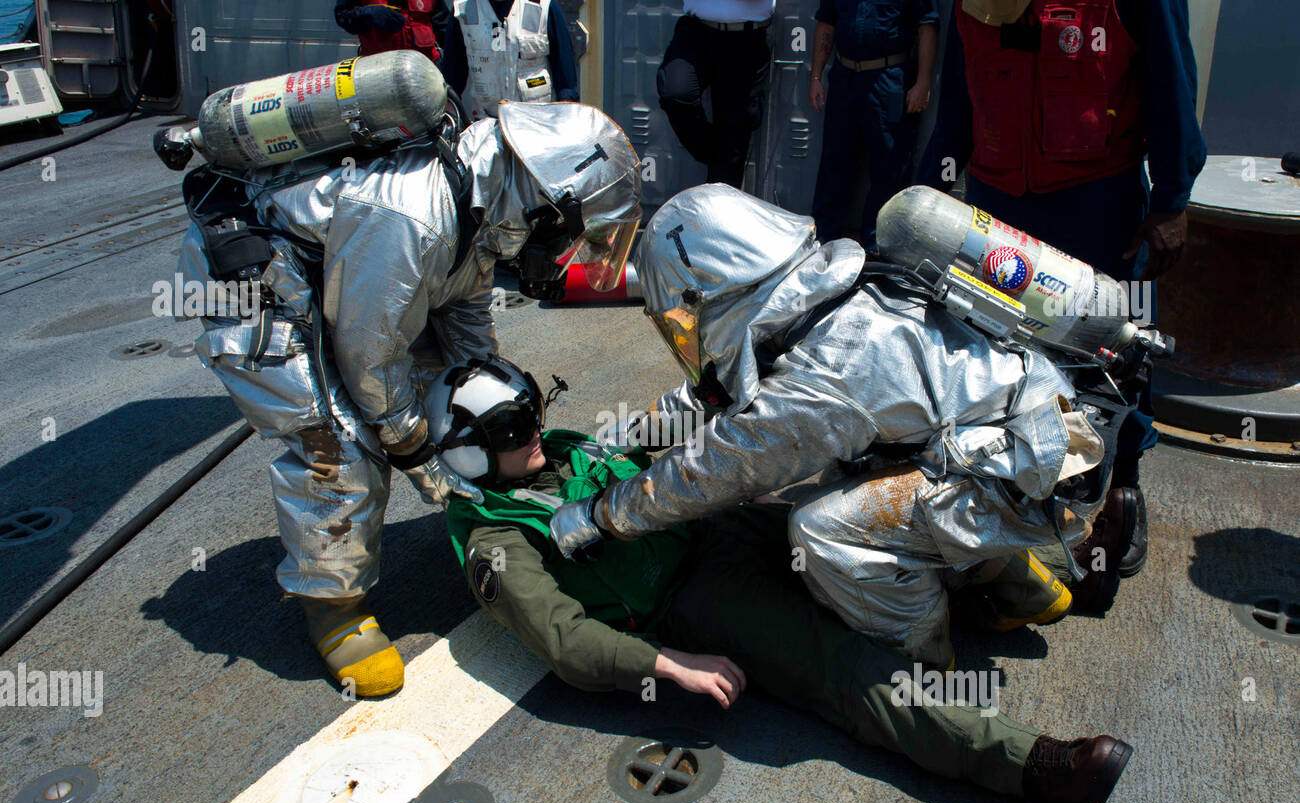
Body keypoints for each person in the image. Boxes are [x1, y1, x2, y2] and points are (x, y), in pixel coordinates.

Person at [430, 355, 1133, 803]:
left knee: (888, 508)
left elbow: (635, 447)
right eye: (517, 427)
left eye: (532, 411)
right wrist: (668, 664)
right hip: (692, 598)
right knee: (841, 664)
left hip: (716, 527)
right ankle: (1035, 766)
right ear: (470, 450)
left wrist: (718, 390)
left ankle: (1070, 566)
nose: (538, 431)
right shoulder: (498, 541)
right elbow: (564, 638)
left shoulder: (551, 454)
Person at [174, 100, 642, 697]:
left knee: (456, 396)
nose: (565, 243)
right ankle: (334, 606)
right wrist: (417, 452)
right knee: (340, 443)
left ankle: (491, 502)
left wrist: (487, 385)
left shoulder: (483, 203)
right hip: (258, 288)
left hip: (345, 282)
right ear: (548, 199)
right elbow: (369, 353)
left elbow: (462, 307)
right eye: (570, 227)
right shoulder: (414, 214)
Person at [548, 184, 1116, 671]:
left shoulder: (825, 368)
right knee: (875, 471)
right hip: (1035, 442)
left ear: (706, 296)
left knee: (822, 528)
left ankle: (920, 659)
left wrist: (602, 514)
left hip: (1030, 469)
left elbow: (720, 467)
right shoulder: (828, 295)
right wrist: (632, 434)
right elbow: (720, 396)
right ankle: (1029, 591)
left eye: (681, 312)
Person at [917, 0, 1209, 600]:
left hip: (1098, 199)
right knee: (997, 352)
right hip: (1000, 202)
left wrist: (1173, 199)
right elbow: (959, 92)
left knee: (1116, 346)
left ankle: (1120, 483)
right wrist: (933, 187)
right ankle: (1013, 486)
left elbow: (1170, 81)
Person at [809, 0, 939, 249]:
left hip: (888, 80)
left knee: (890, 170)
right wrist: (816, 76)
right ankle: (821, 243)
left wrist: (923, 82)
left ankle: (877, 250)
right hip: (844, 78)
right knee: (834, 164)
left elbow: (927, 27)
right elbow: (826, 22)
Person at [657, 0, 776, 188]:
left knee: (735, 129)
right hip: (697, 30)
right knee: (676, 92)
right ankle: (718, 155)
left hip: (746, 37)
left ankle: (719, 195)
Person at [436, 0, 580, 123]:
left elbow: (566, 84)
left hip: (538, 126)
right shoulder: (463, 10)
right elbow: (452, 80)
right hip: (486, 127)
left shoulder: (543, 6)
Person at [334, 0, 447, 63]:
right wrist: (369, 14)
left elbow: (444, 27)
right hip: (378, 72)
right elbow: (343, 16)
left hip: (427, 69)